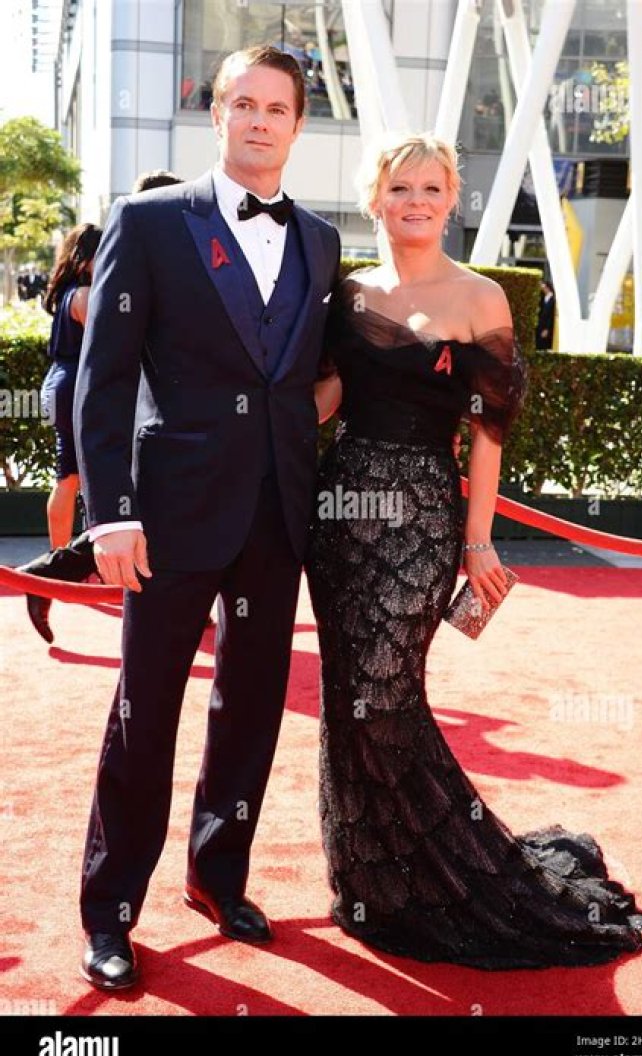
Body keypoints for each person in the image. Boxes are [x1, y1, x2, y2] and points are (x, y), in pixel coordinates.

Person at [306, 133, 642, 969]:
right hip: (341, 516)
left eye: (431, 188)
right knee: (348, 695)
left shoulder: (482, 297)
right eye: (400, 188)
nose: (415, 201)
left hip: (423, 518)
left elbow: (489, 431)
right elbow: (327, 399)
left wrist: (478, 539)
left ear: (451, 199)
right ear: (376, 198)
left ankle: (461, 877)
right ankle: (376, 882)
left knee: (386, 694)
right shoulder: (348, 295)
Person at [73, 45, 340, 990]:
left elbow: (308, 374)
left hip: (277, 514)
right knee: (144, 712)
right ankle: (110, 910)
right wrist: (112, 513)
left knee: (252, 707)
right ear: (216, 113)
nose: (261, 121)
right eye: (245, 104)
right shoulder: (148, 221)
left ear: (298, 125)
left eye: (278, 108)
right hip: (169, 515)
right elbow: (104, 379)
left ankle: (218, 874)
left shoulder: (320, 240)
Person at [19, 171, 185, 645]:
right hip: (106, 395)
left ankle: (58, 569)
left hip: (126, 397)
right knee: (83, 482)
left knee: (156, 503)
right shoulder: (115, 277)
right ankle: (54, 569)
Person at [40, 223, 103, 549]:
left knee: (68, 476)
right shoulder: (85, 295)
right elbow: (106, 344)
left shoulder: (68, 295)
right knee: (78, 477)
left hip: (59, 381)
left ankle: (59, 554)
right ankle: (68, 556)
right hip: (75, 387)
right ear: (84, 260)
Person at [535, 278, 555, 350]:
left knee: (544, 345)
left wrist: (547, 329)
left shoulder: (553, 299)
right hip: (540, 325)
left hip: (546, 327)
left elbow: (551, 316)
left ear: (547, 287)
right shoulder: (543, 298)